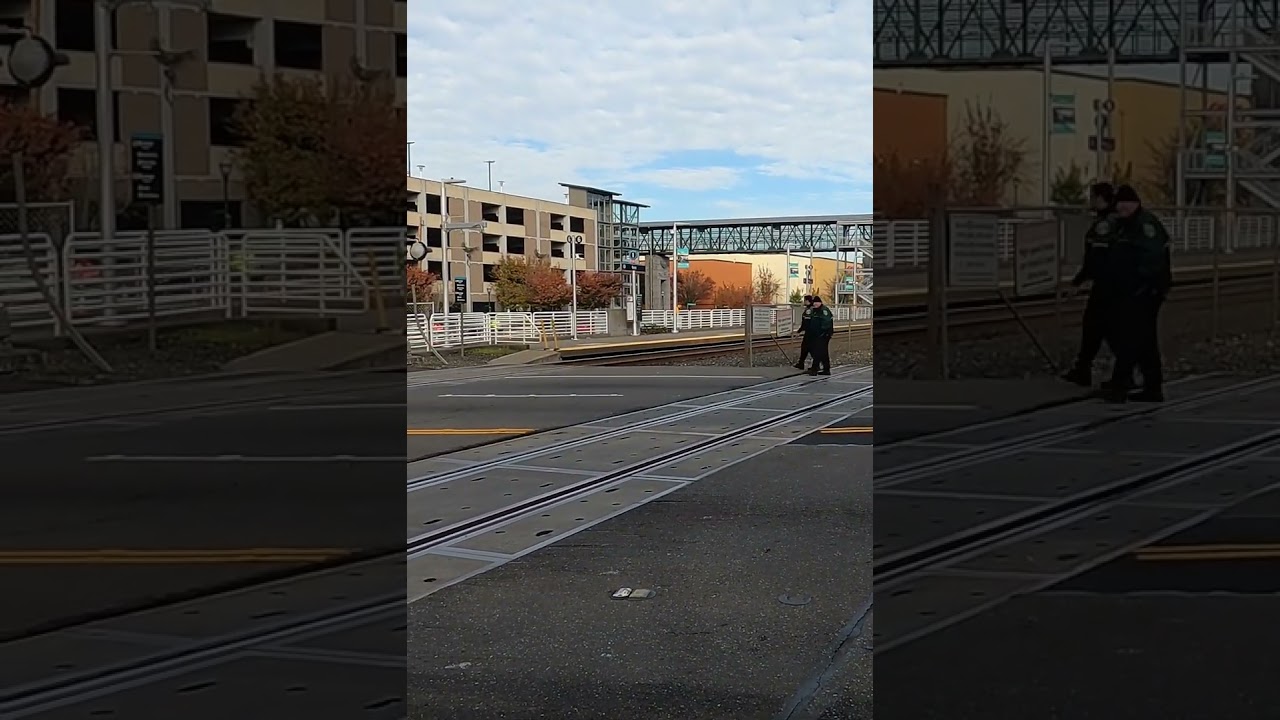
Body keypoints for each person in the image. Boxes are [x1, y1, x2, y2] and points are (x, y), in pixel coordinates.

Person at [1104, 185, 1171, 403]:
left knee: (1130, 339)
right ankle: (1152, 387)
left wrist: (1141, 283)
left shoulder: (1145, 225)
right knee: (1145, 340)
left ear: (1135, 203)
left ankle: (1119, 386)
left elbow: (1152, 259)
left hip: (1144, 291)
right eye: (1118, 203)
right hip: (1128, 291)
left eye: (1124, 203)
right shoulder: (1123, 225)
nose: (1120, 207)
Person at [1061, 182, 1120, 387]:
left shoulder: (1105, 225)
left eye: (1092, 197)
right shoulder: (1113, 220)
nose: (1090, 201)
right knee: (1097, 328)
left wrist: (1078, 281)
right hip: (1112, 283)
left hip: (1108, 285)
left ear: (1100, 198)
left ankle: (1125, 371)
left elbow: (1096, 256)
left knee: (1103, 328)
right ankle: (1083, 368)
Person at [805, 295, 835, 376]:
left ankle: (814, 369)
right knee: (823, 352)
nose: (815, 304)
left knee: (818, 351)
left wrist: (822, 332)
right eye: (814, 302)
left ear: (820, 303)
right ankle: (826, 369)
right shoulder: (814, 310)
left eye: (816, 302)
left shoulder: (824, 310)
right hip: (817, 334)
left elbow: (826, 323)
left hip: (824, 334)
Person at [792, 295, 814, 370]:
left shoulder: (809, 310)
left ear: (808, 301)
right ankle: (801, 363)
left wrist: (799, 331)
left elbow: (806, 322)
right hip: (810, 332)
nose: (804, 302)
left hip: (811, 333)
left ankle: (815, 364)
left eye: (805, 300)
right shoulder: (810, 309)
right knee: (805, 348)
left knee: (809, 348)